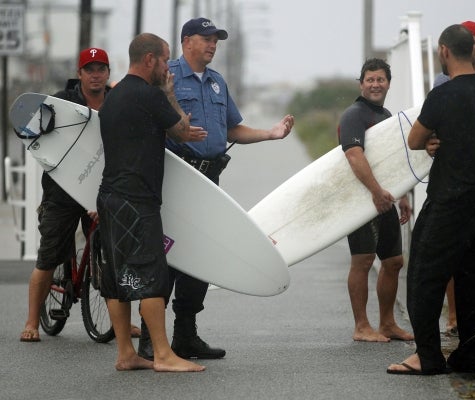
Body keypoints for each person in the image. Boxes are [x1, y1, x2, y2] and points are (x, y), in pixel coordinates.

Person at [136, 17, 294, 361]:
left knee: (203, 257)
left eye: (216, 40)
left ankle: (186, 335)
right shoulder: (167, 77)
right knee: (170, 257)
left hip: (210, 179)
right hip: (177, 179)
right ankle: (151, 338)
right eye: (206, 39)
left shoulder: (217, 83)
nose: (212, 45)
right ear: (186, 40)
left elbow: (232, 129)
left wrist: (270, 134)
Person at [387, 24, 475, 375]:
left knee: (424, 274)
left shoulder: (443, 94)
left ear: (444, 51)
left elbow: (416, 139)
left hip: (449, 195)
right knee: (474, 277)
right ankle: (469, 356)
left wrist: (433, 138)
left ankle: (427, 357)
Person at [97, 32, 207, 372]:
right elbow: (181, 130)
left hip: (110, 196)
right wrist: (170, 94)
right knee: (152, 276)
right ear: (150, 61)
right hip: (138, 199)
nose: (167, 67)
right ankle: (162, 354)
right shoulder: (150, 95)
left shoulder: (113, 96)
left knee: (116, 279)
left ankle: (126, 354)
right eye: (164, 60)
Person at [19, 47, 140, 342]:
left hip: (102, 191)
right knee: (48, 257)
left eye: (101, 69)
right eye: (90, 69)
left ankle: (123, 324)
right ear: (80, 74)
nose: (96, 74)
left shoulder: (117, 102)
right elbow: (31, 133)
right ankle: (32, 321)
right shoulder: (62, 103)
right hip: (62, 191)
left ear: (109, 73)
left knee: (114, 259)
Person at [338, 58, 413, 342]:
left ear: (388, 84)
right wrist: (375, 191)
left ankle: (387, 323)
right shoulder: (354, 115)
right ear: (361, 84)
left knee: (393, 261)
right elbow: (354, 155)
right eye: (370, 79)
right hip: (361, 199)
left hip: (385, 198)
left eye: (380, 79)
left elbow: (395, 160)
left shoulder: (386, 116)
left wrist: (402, 194)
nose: (375, 84)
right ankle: (361, 326)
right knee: (363, 260)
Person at [433, 20, 475, 338]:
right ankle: (454, 317)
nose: (470, 45)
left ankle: (473, 332)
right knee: (450, 255)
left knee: (474, 261)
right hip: (453, 177)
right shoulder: (441, 82)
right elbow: (430, 131)